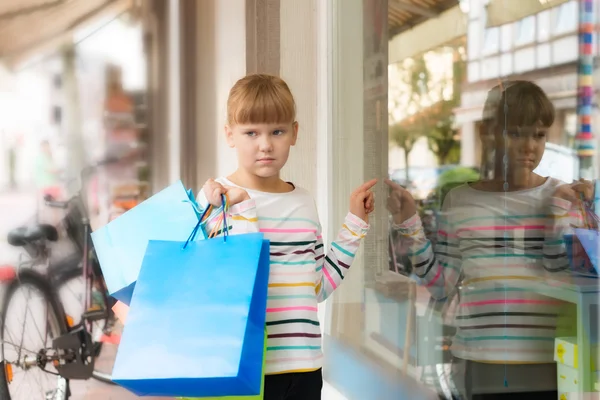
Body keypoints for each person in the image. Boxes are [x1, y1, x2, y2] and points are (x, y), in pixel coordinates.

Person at [386, 80, 593, 399]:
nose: (530, 146)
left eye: (538, 135)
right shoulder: (459, 200)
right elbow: (442, 286)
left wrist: (568, 215)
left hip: (549, 363)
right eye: (516, 133)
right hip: (478, 361)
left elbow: (567, 276)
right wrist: (409, 223)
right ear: (492, 134)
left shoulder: (561, 196)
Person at [197, 74, 376, 400]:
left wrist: (355, 225)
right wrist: (241, 210)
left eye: (276, 131)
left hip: (305, 370)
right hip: (244, 370)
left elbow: (317, 288)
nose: (265, 144)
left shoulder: (303, 201)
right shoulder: (215, 198)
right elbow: (223, 287)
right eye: (251, 132)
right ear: (230, 135)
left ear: (294, 133)